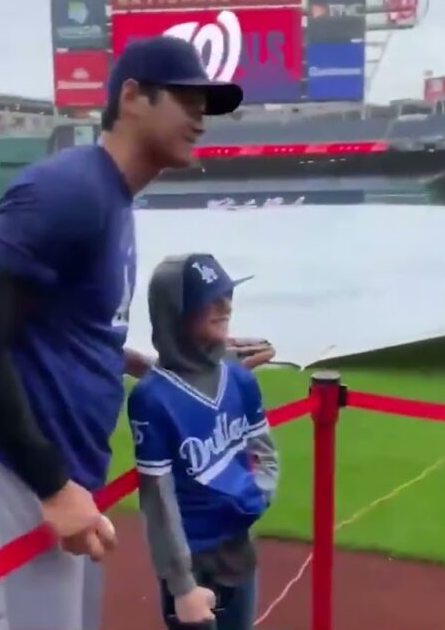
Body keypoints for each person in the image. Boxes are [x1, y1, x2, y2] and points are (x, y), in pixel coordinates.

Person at [0, 36, 244, 630]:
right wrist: (53, 487)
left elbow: (73, 325)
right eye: (186, 101)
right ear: (132, 97)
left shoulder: (110, 198)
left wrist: (160, 367)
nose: (200, 119)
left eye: (205, 107)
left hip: (64, 473)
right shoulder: (67, 191)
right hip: (17, 475)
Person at [127, 253, 281, 630]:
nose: (225, 305)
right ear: (176, 313)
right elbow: (157, 498)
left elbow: (263, 448)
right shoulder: (152, 398)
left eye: (227, 295)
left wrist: (260, 494)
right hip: (193, 560)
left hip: (239, 547)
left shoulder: (239, 378)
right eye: (210, 299)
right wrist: (182, 586)